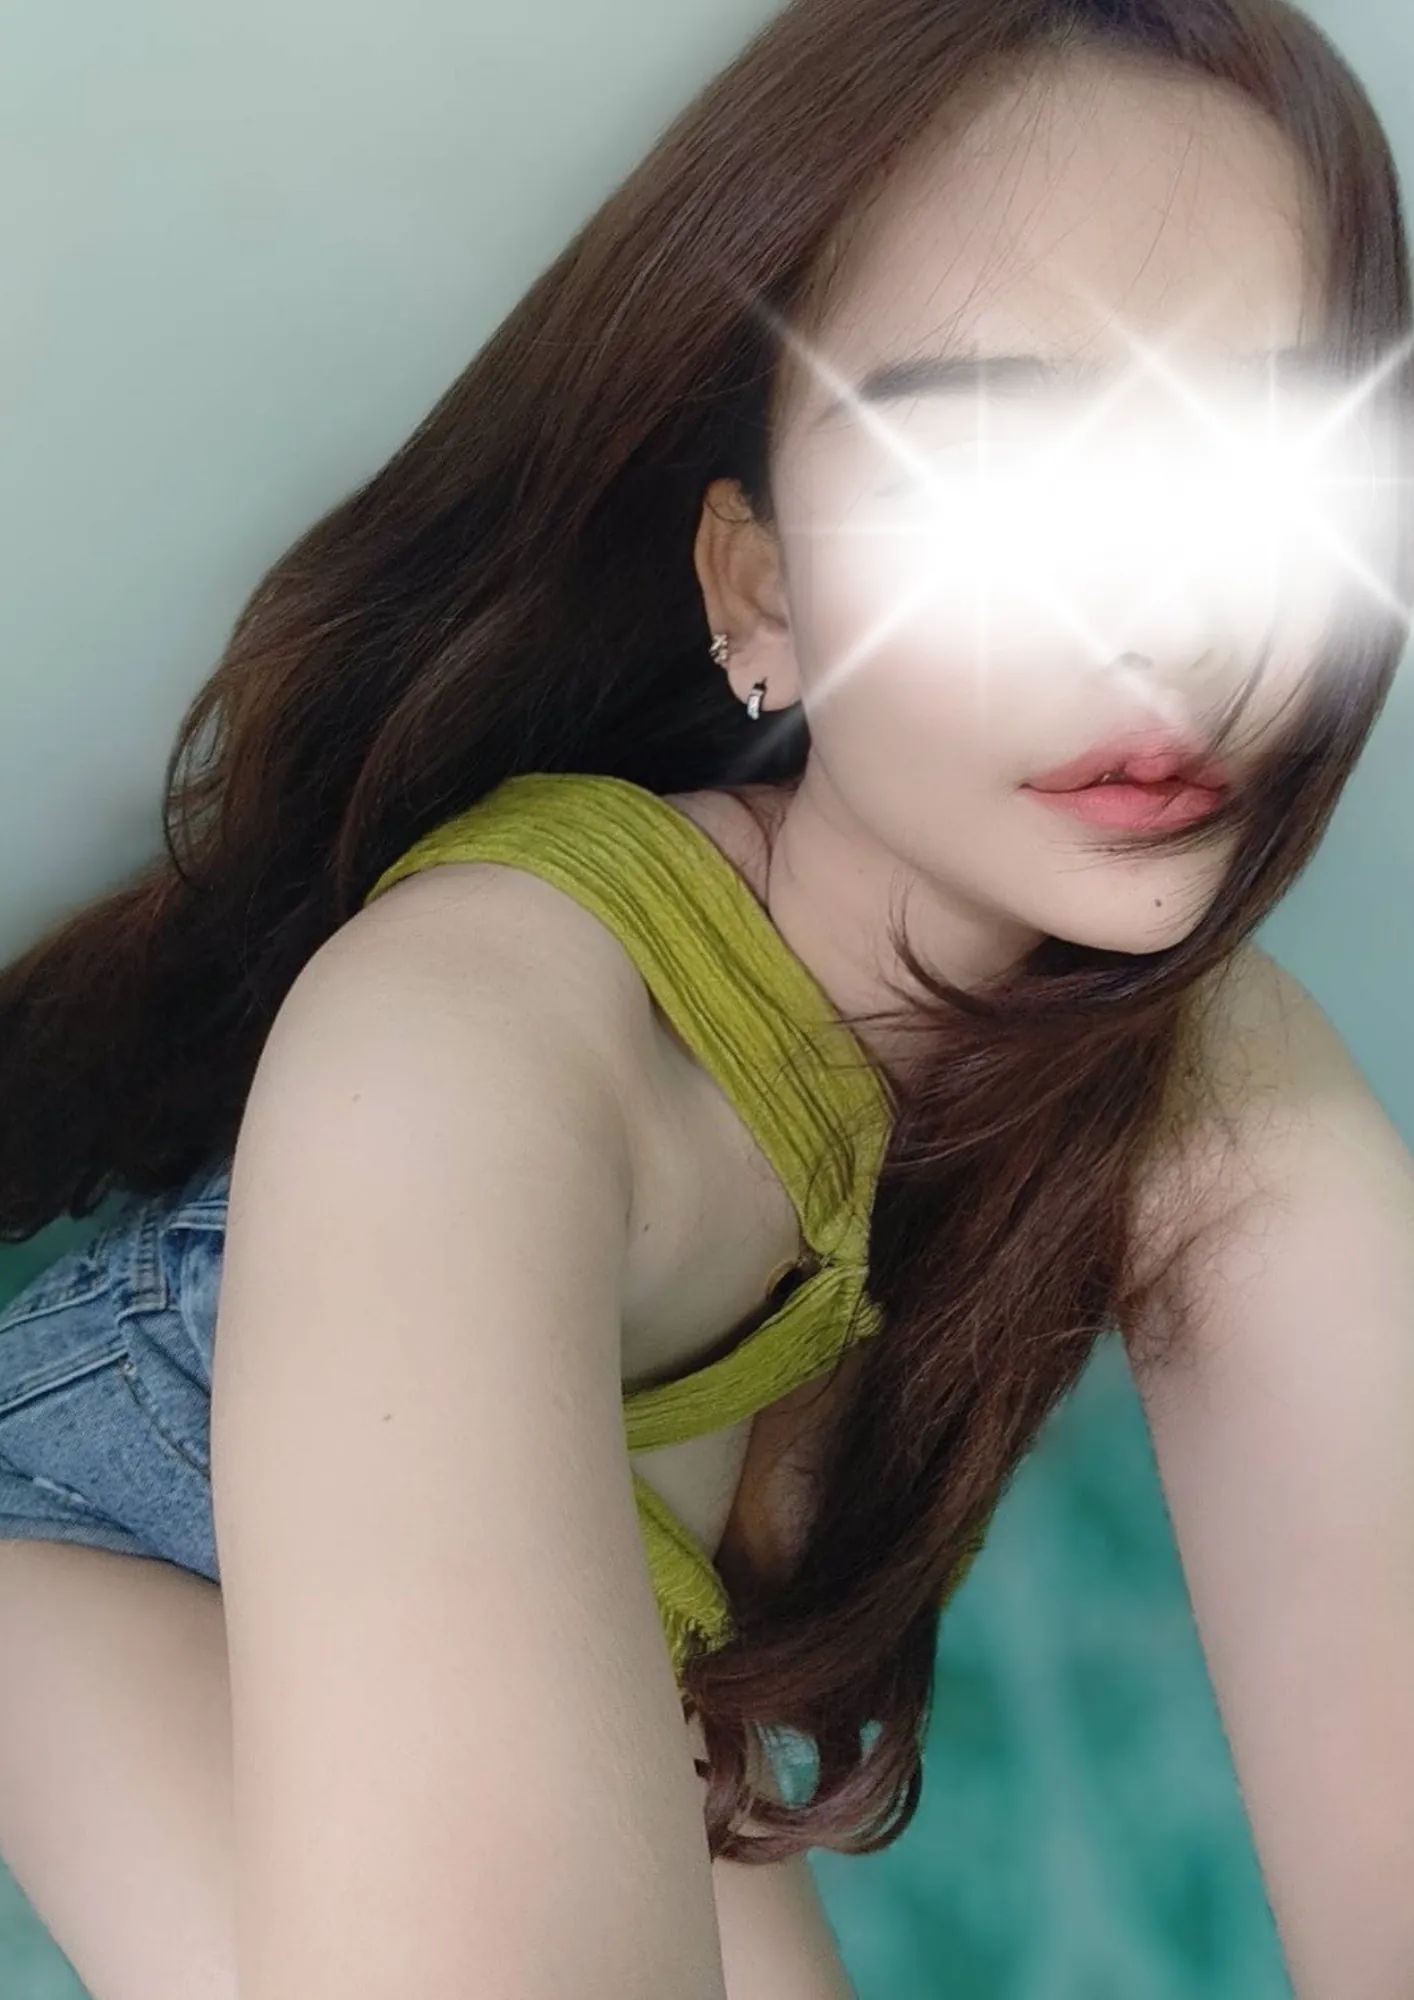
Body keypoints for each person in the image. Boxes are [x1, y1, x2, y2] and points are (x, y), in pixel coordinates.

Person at [1, 0, 1411, 1994]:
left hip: (591, 1621)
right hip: (93, 1543)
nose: (1172, 626)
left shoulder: (1190, 1067)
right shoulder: (481, 1020)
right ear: (761, 594)